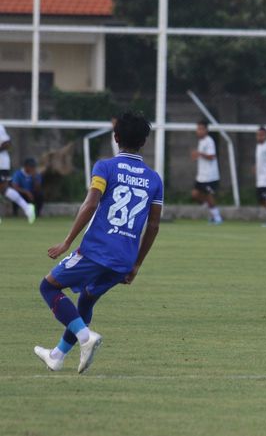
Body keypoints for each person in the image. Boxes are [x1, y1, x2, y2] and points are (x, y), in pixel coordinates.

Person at [33, 112, 163, 373]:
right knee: (86, 302)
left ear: (115, 138)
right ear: (145, 142)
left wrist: (67, 241)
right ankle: (57, 356)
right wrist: (136, 265)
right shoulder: (154, 179)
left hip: (97, 251)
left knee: (48, 287)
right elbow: (154, 225)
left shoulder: (105, 167)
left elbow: (91, 203)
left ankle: (85, 337)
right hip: (124, 260)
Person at [0, 123, 35, 224]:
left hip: (1, 163)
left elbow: (7, 143)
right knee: (4, 190)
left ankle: (27, 207)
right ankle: (27, 208)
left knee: (3, 189)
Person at [190, 120, 222, 224]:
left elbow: (212, 156)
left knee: (209, 196)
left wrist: (199, 153)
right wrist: (196, 156)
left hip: (210, 175)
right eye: (198, 129)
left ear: (206, 130)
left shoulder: (209, 141)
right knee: (195, 194)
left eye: (201, 129)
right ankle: (211, 210)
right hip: (201, 176)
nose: (199, 131)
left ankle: (217, 218)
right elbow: (202, 156)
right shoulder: (201, 142)